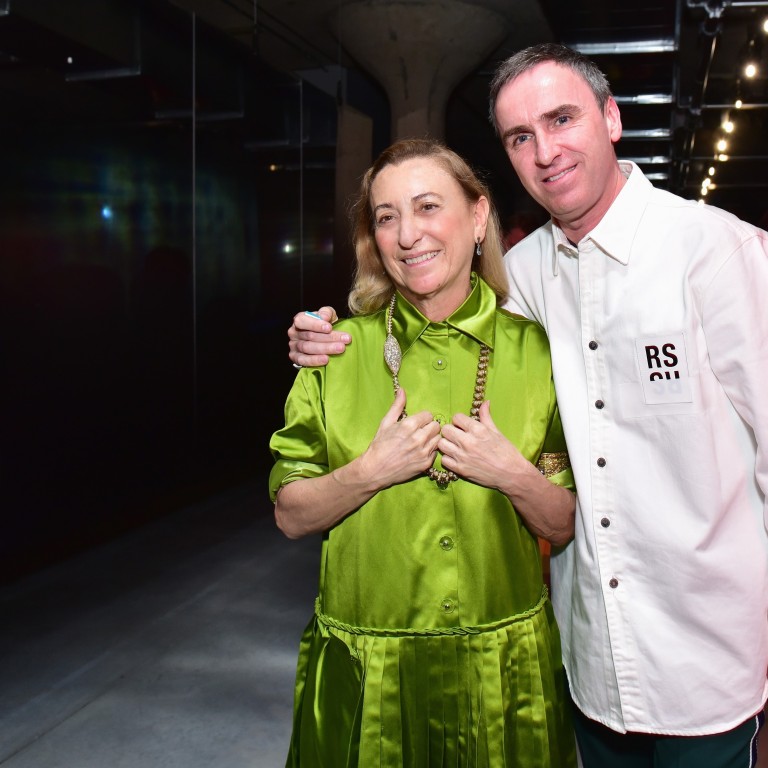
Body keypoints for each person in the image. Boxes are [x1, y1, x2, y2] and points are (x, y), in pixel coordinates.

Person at [287, 43, 768, 768]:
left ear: (611, 118)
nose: (545, 151)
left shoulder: (716, 250)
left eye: (562, 118)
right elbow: (435, 290)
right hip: (589, 669)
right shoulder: (528, 276)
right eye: (519, 136)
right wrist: (317, 337)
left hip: (707, 664)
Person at [270, 137, 578, 767]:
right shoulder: (336, 352)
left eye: (428, 207)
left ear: (479, 216)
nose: (408, 234)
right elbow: (291, 514)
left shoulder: (541, 353)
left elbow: (563, 524)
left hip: (503, 681)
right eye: (386, 217)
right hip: (368, 683)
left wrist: (512, 475)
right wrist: (368, 472)